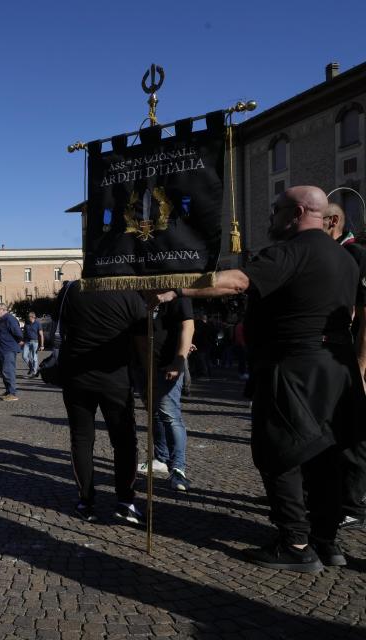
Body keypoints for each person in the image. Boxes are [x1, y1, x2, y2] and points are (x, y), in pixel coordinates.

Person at [154, 186, 364, 572]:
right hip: (337, 369)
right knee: (327, 456)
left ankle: (295, 543)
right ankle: (326, 540)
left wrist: (175, 288)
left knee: (280, 452)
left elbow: (236, 282)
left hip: (295, 365)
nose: (271, 218)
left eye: (276, 210)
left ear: (298, 212)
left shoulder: (289, 252)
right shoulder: (346, 258)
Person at [58, 280, 147, 524]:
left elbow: (63, 327)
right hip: (115, 379)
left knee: (82, 439)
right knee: (125, 441)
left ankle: (85, 500)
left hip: (77, 376)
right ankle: (125, 500)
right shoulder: (129, 293)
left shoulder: (72, 290)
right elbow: (142, 342)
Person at [323, 202, 366, 531]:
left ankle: (351, 502)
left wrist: (362, 366)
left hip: (352, 360)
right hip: (331, 359)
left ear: (333, 221)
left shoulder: (356, 255)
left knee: (352, 435)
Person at [135, 295, 194, 491]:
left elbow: (188, 326)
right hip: (144, 365)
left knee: (170, 415)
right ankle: (161, 458)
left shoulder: (177, 295)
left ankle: (178, 469)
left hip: (166, 364)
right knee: (154, 412)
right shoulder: (139, 293)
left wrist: (178, 360)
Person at [0, 303, 23, 401]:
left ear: (4, 309)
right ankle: (8, 391)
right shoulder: (2, 320)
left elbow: (18, 333)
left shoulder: (9, 319)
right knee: (3, 372)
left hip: (7, 350)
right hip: (1, 350)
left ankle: (12, 393)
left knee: (8, 371)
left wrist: (18, 342)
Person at [22, 311, 44, 378]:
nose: (29, 318)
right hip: (27, 342)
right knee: (24, 356)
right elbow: (24, 333)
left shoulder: (38, 324)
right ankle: (31, 368)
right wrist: (22, 341)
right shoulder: (27, 323)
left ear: (33, 317)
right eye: (28, 317)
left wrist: (42, 345)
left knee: (34, 357)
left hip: (35, 342)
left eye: (30, 317)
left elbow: (41, 335)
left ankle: (34, 372)